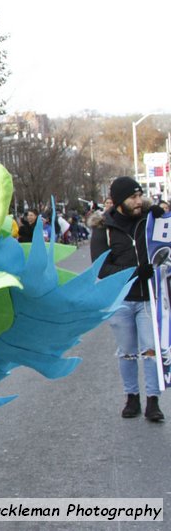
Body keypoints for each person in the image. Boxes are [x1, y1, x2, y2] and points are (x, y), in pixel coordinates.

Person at [90, 177, 165, 422]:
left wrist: (162, 218)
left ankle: (153, 400)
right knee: (127, 352)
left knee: (151, 350)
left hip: (147, 298)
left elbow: (165, 245)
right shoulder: (104, 229)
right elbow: (100, 268)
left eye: (139, 195)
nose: (138, 201)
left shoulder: (148, 220)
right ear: (120, 200)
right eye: (133, 197)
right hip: (121, 299)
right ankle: (132, 397)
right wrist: (135, 272)